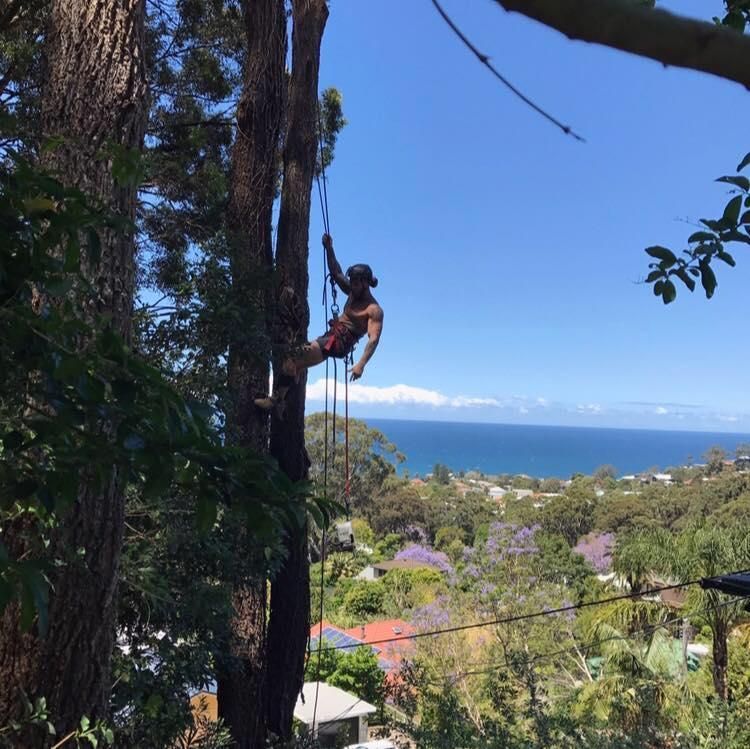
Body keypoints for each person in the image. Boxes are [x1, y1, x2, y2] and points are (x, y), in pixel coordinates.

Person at [254, 233, 384, 412]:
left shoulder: (373, 310)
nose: (351, 286)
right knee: (293, 365)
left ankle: (274, 401)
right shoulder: (353, 293)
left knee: (293, 357)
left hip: (337, 343)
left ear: (365, 283)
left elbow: (374, 338)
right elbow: (336, 272)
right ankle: (281, 402)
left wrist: (361, 364)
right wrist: (329, 248)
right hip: (331, 337)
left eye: (355, 283)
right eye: (351, 282)